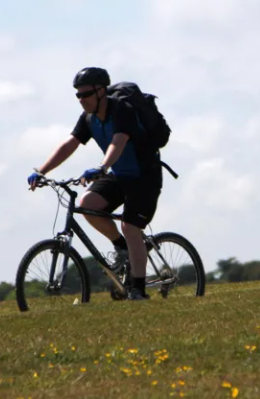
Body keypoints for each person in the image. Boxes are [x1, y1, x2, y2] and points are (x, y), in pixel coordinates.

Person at [27, 67, 163, 300]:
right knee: (88, 202)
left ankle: (138, 290)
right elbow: (70, 144)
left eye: (86, 94)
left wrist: (102, 167)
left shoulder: (122, 110)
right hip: (119, 175)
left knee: (131, 227)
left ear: (101, 91)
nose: (82, 99)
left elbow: (118, 142)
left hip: (144, 175)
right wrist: (42, 170)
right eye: (78, 95)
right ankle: (122, 249)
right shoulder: (88, 118)